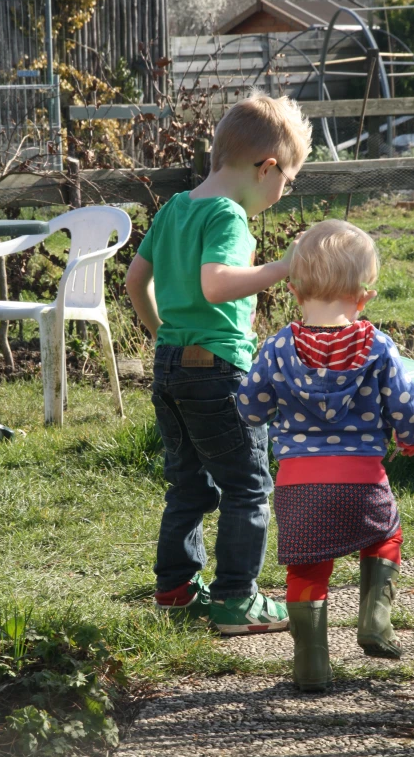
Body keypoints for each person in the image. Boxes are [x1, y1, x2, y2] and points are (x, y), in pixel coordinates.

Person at [126, 91, 312, 636]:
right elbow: (216, 285)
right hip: (218, 372)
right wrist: (282, 266)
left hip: (170, 369)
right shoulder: (228, 216)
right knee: (248, 486)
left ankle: (177, 589)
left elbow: (137, 280)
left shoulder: (176, 208)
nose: (283, 193)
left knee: (188, 483)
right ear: (267, 166)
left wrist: (163, 334)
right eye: (288, 181)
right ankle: (236, 599)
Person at [237, 219, 414, 689]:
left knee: (307, 568)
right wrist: (413, 439)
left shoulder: (277, 346)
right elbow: (404, 404)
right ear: (363, 295)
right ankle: (375, 621)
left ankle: (310, 668)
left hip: (299, 484)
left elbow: (250, 406)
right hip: (362, 479)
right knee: (385, 535)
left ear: (297, 291)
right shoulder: (378, 346)